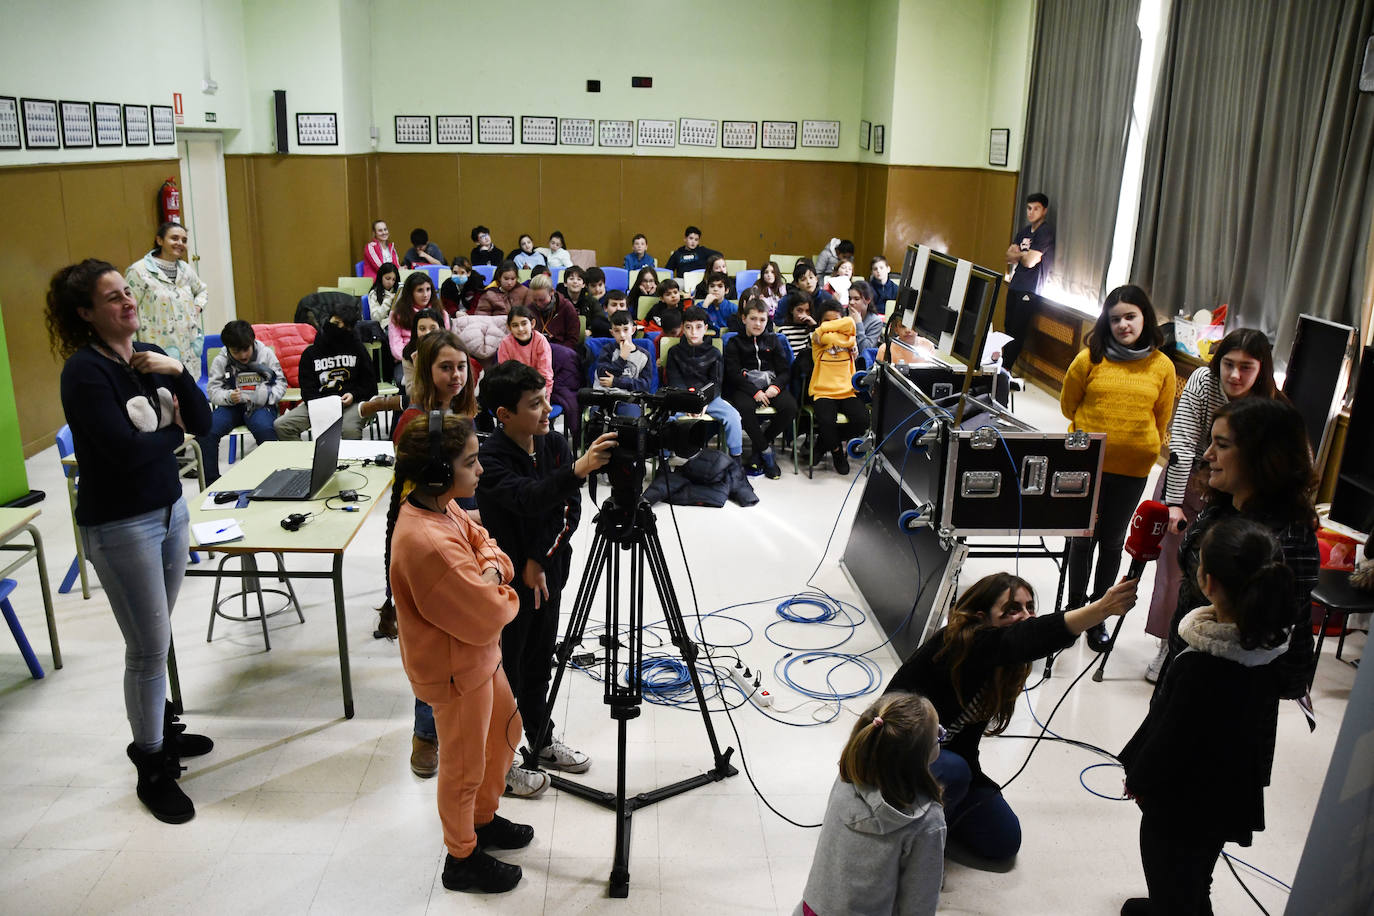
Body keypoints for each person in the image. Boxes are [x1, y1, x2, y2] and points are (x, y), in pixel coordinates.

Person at [48, 258, 214, 824]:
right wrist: (173, 433)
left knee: (158, 637)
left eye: (127, 293)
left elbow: (205, 424)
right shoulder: (84, 373)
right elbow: (124, 450)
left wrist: (177, 372)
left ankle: (159, 728)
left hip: (169, 512)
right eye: (112, 298)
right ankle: (149, 762)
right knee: (146, 647)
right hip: (121, 524)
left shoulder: (145, 359)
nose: (127, 303)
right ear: (86, 314)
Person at [887, 572, 1139, 861]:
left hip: (948, 760)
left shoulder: (1002, 666)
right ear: (980, 618)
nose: (1026, 616)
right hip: (898, 755)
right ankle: (913, 847)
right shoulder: (959, 643)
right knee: (954, 770)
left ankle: (934, 814)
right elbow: (1024, 638)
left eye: (1030, 607)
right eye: (1012, 610)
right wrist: (1101, 609)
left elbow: (965, 744)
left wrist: (978, 785)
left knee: (1003, 840)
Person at [386, 413, 531, 893]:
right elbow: (491, 613)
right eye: (471, 462)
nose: (481, 470)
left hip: (477, 656)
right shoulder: (427, 541)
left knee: (507, 731)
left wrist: (490, 571)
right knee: (464, 766)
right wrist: (496, 584)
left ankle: (483, 819)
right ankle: (461, 857)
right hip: (455, 669)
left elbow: (490, 546)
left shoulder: (441, 506)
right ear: (437, 471)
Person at [1119, 517, 1294, 916]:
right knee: (1196, 869)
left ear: (1208, 582)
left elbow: (1169, 736)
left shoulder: (1201, 663)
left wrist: (1139, 777)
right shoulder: (1267, 653)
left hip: (1181, 802)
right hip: (1227, 794)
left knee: (1168, 873)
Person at [475, 361, 618, 796]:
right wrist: (577, 469)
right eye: (534, 404)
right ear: (504, 414)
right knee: (507, 672)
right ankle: (504, 759)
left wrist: (540, 558)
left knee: (540, 662)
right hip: (508, 582)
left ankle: (541, 738)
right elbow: (528, 498)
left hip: (548, 572)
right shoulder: (491, 458)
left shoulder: (553, 444)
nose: (546, 409)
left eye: (545, 399)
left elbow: (568, 510)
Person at [1157, 397, 1320, 701]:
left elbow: (1273, 635)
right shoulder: (1223, 506)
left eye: (1221, 445)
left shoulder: (1289, 537)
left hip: (1229, 692)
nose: (1207, 455)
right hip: (1187, 667)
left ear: (1262, 456)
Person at [1142, 328, 1282, 681]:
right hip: (1188, 481)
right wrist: (1173, 503)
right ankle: (1168, 644)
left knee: (1222, 572)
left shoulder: (1272, 401)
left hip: (1237, 494)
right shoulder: (1203, 381)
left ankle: (1209, 642)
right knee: (1175, 571)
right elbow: (1185, 444)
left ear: (1261, 369)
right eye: (1229, 364)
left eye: (1246, 367)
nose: (1235, 375)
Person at [381, 330, 478, 777]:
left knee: (464, 636)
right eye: (446, 367)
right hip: (426, 535)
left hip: (463, 528)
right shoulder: (415, 420)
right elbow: (411, 497)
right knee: (433, 641)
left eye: (461, 366)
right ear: (427, 371)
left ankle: (462, 725)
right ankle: (426, 732)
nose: (456, 375)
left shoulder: (465, 413)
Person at [1059, 285, 1174, 651]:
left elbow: (1162, 418)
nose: (1123, 324)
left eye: (1131, 317)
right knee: (1082, 538)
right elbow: (1068, 405)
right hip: (1087, 463)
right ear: (1106, 323)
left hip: (1133, 469)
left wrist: (1141, 445)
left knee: (1111, 542)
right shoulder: (1088, 359)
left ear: (1145, 319)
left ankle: (1099, 614)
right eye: (1115, 318)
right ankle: (1074, 609)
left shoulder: (1162, 366)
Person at [795, 692, 946, 916]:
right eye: (939, 735)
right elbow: (919, 902)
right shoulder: (928, 821)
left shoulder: (846, 778)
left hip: (813, 908)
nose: (941, 736)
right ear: (920, 756)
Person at [275, 299, 378, 440]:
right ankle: (307, 459)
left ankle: (347, 461)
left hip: (352, 403)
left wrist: (353, 395)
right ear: (328, 320)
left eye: (344, 326)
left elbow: (370, 386)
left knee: (349, 430)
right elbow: (307, 391)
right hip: (320, 404)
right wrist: (324, 405)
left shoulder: (358, 349)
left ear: (350, 329)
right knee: (282, 425)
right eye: (335, 323)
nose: (337, 329)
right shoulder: (311, 353)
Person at [200, 319, 284, 483]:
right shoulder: (221, 360)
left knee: (265, 429)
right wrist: (229, 396)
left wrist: (264, 397)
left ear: (252, 342)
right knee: (207, 431)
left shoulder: (265, 354)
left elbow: (280, 383)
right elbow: (213, 390)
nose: (243, 355)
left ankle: (276, 480)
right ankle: (211, 483)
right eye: (236, 352)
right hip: (232, 406)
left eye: (246, 349)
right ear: (228, 348)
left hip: (260, 406)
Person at [723, 298, 796, 479]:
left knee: (790, 407)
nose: (758, 323)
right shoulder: (734, 342)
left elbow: (785, 371)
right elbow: (733, 374)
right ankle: (766, 452)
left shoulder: (773, 340)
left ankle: (759, 445)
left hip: (770, 386)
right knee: (745, 408)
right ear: (744, 318)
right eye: (753, 318)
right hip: (746, 387)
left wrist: (776, 388)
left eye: (762, 320)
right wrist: (754, 392)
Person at [126, 221, 208, 380]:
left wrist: (197, 307)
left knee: (188, 394)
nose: (180, 243)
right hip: (157, 352)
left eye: (184, 240)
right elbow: (128, 307)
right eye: (174, 238)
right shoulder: (139, 271)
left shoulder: (186, 269)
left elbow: (202, 290)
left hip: (187, 351)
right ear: (160, 240)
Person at [667, 307, 744, 464]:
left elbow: (716, 381)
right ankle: (665, 459)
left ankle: (736, 460)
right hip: (682, 398)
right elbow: (675, 380)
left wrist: (702, 401)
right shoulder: (674, 352)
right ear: (682, 328)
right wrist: (689, 403)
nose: (693, 332)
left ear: (706, 328)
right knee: (664, 418)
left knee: (733, 416)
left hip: (709, 399)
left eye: (698, 327)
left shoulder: (714, 352)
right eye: (688, 327)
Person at [807, 300, 870, 474]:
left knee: (863, 420)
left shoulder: (849, 339)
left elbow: (850, 323)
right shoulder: (818, 338)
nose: (833, 327)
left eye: (837, 321)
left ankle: (823, 443)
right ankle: (836, 452)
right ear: (820, 323)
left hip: (847, 392)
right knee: (826, 421)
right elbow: (827, 333)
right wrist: (827, 331)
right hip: (823, 392)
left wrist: (843, 334)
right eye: (828, 322)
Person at [1001, 193, 1055, 372]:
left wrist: (1022, 256)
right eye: (1029, 208)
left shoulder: (1045, 232)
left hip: (1031, 289)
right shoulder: (1024, 231)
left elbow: (1030, 262)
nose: (1031, 212)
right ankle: (1001, 367)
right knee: (1008, 326)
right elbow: (1008, 256)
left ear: (1044, 210)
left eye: (1036, 208)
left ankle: (1006, 369)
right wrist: (1023, 255)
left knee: (1017, 330)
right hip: (1016, 284)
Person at [389, 272, 447, 384]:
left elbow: (447, 340)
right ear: (410, 293)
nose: (425, 294)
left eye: (428, 289)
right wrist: (416, 358)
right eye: (420, 290)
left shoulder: (441, 313)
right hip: (407, 359)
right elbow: (396, 350)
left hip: (436, 357)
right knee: (404, 381)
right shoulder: (396, 315)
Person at [595, 310, 655, 403]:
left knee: (629, 416)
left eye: (626, 329)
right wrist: (622, 358)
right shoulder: (608, 350)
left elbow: (645, 385)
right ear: (612, 333)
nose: (622, 335)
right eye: (617, 331)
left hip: (629, 399)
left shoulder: (644, 356)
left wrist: (616, 382)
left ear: (633, 330)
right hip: (605, 395)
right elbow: (603, 376)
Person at [496, 305, 553, 401]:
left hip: (538, 387)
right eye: (515, 325)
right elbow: (505, 374)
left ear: (532, 323)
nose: (520, 329)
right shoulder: (505, 343)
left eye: (524, 323)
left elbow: (545, 375)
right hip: (514, 388)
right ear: (509, 327)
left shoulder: (540, 341)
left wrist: (544, 399)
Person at [527, 274, 580, 348]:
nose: (538, 304)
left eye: (542, 300)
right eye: (535, 300)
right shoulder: (529, 309)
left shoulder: (566, 307)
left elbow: (573, 340)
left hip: (561, 350)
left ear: (552, 292)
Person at [399, 308, 445, 396]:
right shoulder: (410, 353)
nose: (427, 333)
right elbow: (411, 393)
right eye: (422, 329)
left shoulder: (451, 351)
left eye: (433, 328)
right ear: (416, 331)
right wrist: (418, 370)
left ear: (441, 329)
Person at [776, 290, 817, 357]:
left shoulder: (811, 329)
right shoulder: (784, 330)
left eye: (807, 311)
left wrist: (814, 326)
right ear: (792, 310)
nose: (803, 314)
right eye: (799, 310)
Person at [847, 279, 884, 353]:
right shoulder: (843, 315)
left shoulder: (876, 322)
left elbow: (865, 349)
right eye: (850, 298)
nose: (851, 302)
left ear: (868, 300)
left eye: (856, 299)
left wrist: (858, 324)